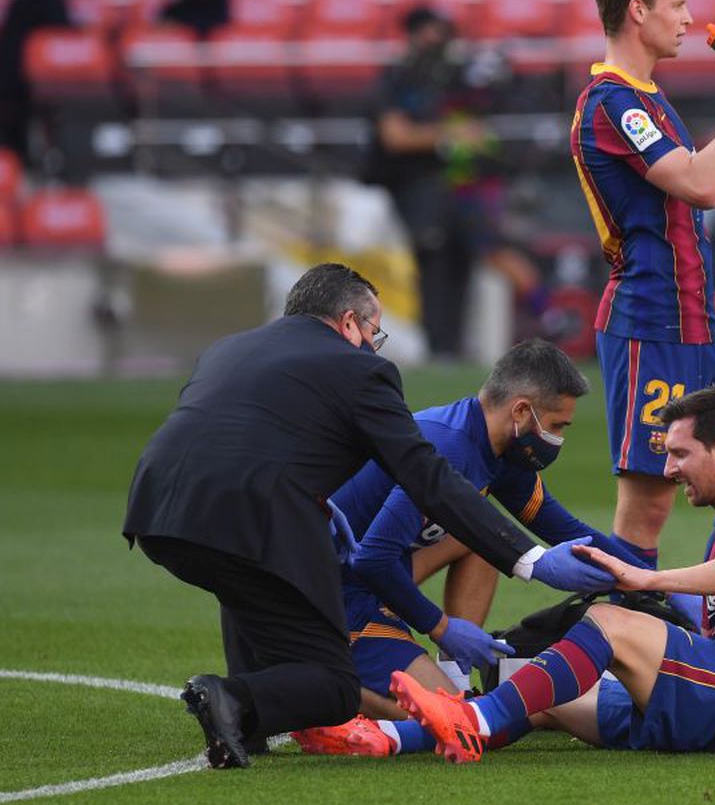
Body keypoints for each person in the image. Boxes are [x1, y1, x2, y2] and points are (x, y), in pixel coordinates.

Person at [122, 263, 613, 770]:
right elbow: (423, 477)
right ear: (350, 322)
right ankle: (242, 699)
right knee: (333, 684)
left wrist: (646, 574)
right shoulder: (361, 370)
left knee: (243, 573)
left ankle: (250, 715)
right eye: (374, 332)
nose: (374, 345)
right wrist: (524, 566)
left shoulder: (230, 348)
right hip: (270, 527)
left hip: (160, 508)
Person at [385, 385, 715, 761]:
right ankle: (384, 737)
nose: (668, 469)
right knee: (540, 688)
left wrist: (647, 579)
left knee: (608, 623)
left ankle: (472, 720)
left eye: (680, 453)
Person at [290, 339, 651, 757]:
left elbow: (562, 528)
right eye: (557, 425)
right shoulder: (446, 447)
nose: (558, 438)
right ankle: (326, 694)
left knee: (486, 536)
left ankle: (452, 677)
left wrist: (653, 581)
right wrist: (441, 627)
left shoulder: (500, 451)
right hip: (335, 593)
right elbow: (371, 558)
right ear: (520, 411)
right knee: (455, 721)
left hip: (374, 579)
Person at [570, 0, 715, 568]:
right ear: (637, 11)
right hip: (650, 320)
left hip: (695, 317)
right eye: (677, 5)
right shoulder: (613, 103)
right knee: (649, 505)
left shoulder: (647, 96)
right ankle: (615, 655)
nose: (687, 19)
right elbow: (703, 185)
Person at [362, 6, 503, 358]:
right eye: (430, 31)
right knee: (434, 263)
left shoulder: (453, 80)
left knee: (463, 261)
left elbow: (479, 128)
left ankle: (452, 348)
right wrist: (449, 134)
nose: (438, 40)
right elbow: (395, 136)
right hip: (416, 187)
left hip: (457, 188)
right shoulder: (397, 79)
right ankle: (437, 347)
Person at [0, 0, 72, 163]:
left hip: (11, 68)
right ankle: (20, 165)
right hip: (21, 73)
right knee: (18, 124)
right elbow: (60, 28)